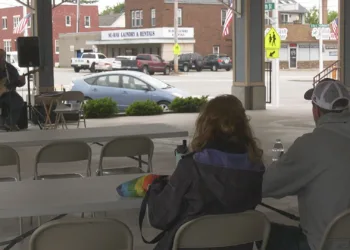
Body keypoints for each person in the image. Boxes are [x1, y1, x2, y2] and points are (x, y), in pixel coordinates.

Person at [147, 95, 265, 250]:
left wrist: (155, 188)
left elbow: (160, 218)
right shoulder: (256, 168)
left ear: (205, 124)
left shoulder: (191, 166)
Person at [262, 78, 350, 250]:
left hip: (321, 245)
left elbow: (266, 185)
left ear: (316, 111)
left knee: (257, 231)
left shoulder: (310, 146)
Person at [0, 49, 25, 131]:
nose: (1, 59)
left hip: (7, 94)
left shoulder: (10, 69)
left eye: (2, 57)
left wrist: (22, 81)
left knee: (19, 101)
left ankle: (9, 123)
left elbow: (18, 83)